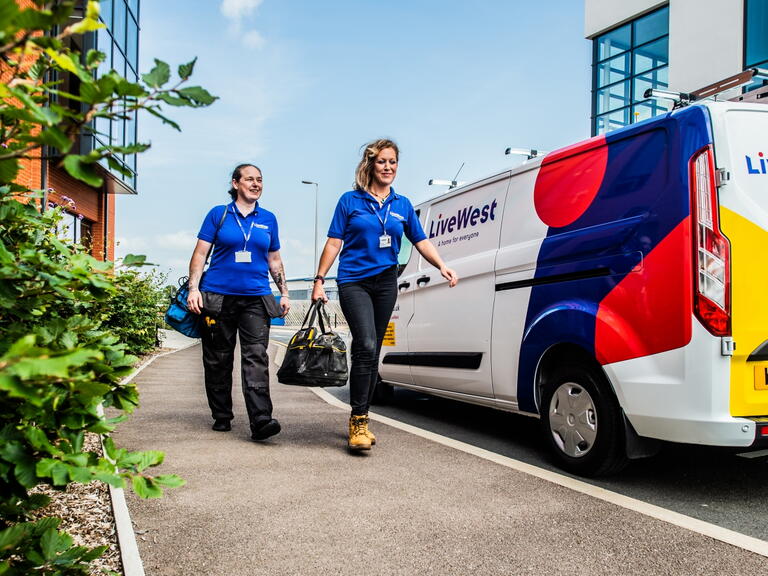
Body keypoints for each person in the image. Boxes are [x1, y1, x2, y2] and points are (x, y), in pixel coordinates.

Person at [312, 139, 458, 451]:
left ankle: (361, 414)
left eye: (392, 162)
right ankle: (358, 421)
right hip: (354, 281)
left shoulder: (402, 205)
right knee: (365, 344)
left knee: (372, 350)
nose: (388, 167)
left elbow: (420, 240)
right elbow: (334, 243)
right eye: (382, 162)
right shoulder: (349, 201)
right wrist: (319, 279)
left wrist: (443, 265)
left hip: (386, 282)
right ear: (371, 165)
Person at [187, 164, 290, 441]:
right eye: (249, 179)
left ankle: (261, 420)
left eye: (259, 180)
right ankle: (221, 415)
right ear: (235, 183)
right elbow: (199, 255)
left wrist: (285, 292)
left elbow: (275, 260)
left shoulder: (268, 219)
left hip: (256, 298)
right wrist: (193, 289)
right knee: (218, 360)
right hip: (217, 298)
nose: (256, 184)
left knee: (256, 358)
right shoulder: (218, 214)